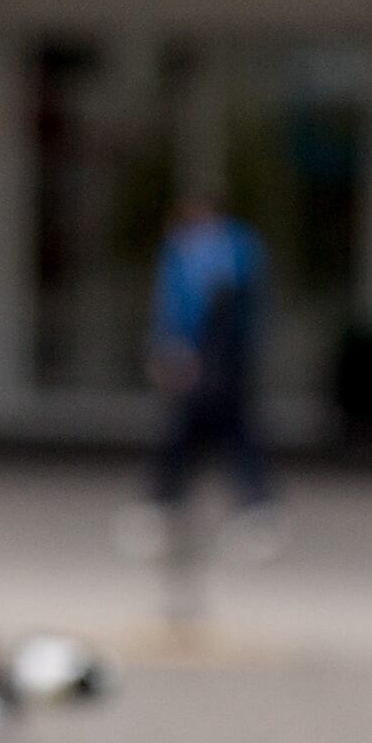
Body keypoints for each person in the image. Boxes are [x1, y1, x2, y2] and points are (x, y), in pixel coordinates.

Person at [122, 194, 279, 557]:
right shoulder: (194, 251)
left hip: (219, 363)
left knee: (209, 431)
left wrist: (183, 352)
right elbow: (172, 305)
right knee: (202, 433)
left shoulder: (229, 251)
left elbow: (211, 311)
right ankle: (168, 504)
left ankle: (168, 504)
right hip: (207, 362)